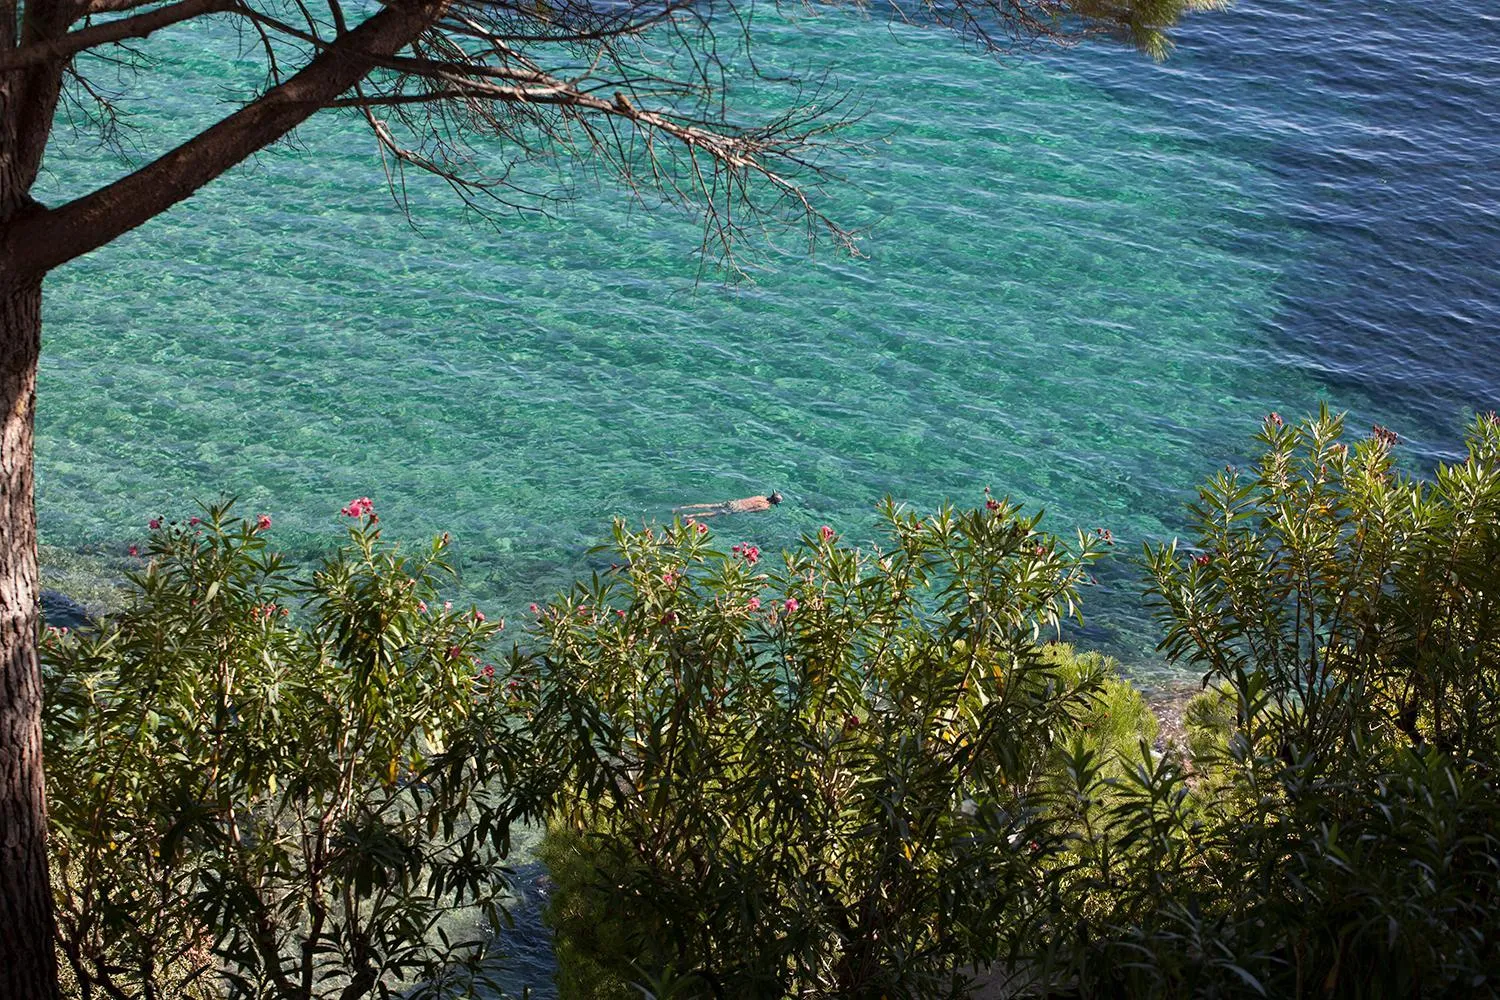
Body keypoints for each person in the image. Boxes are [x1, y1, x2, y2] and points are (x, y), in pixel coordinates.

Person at [675, 491, 783, 518]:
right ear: (775, 503)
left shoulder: (760, 496)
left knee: (710, 505)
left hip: (734, 502)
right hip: (737, 508)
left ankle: (682, 508)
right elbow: (750, 511)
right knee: (713, 513)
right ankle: (688, 516)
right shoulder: (765, 507)